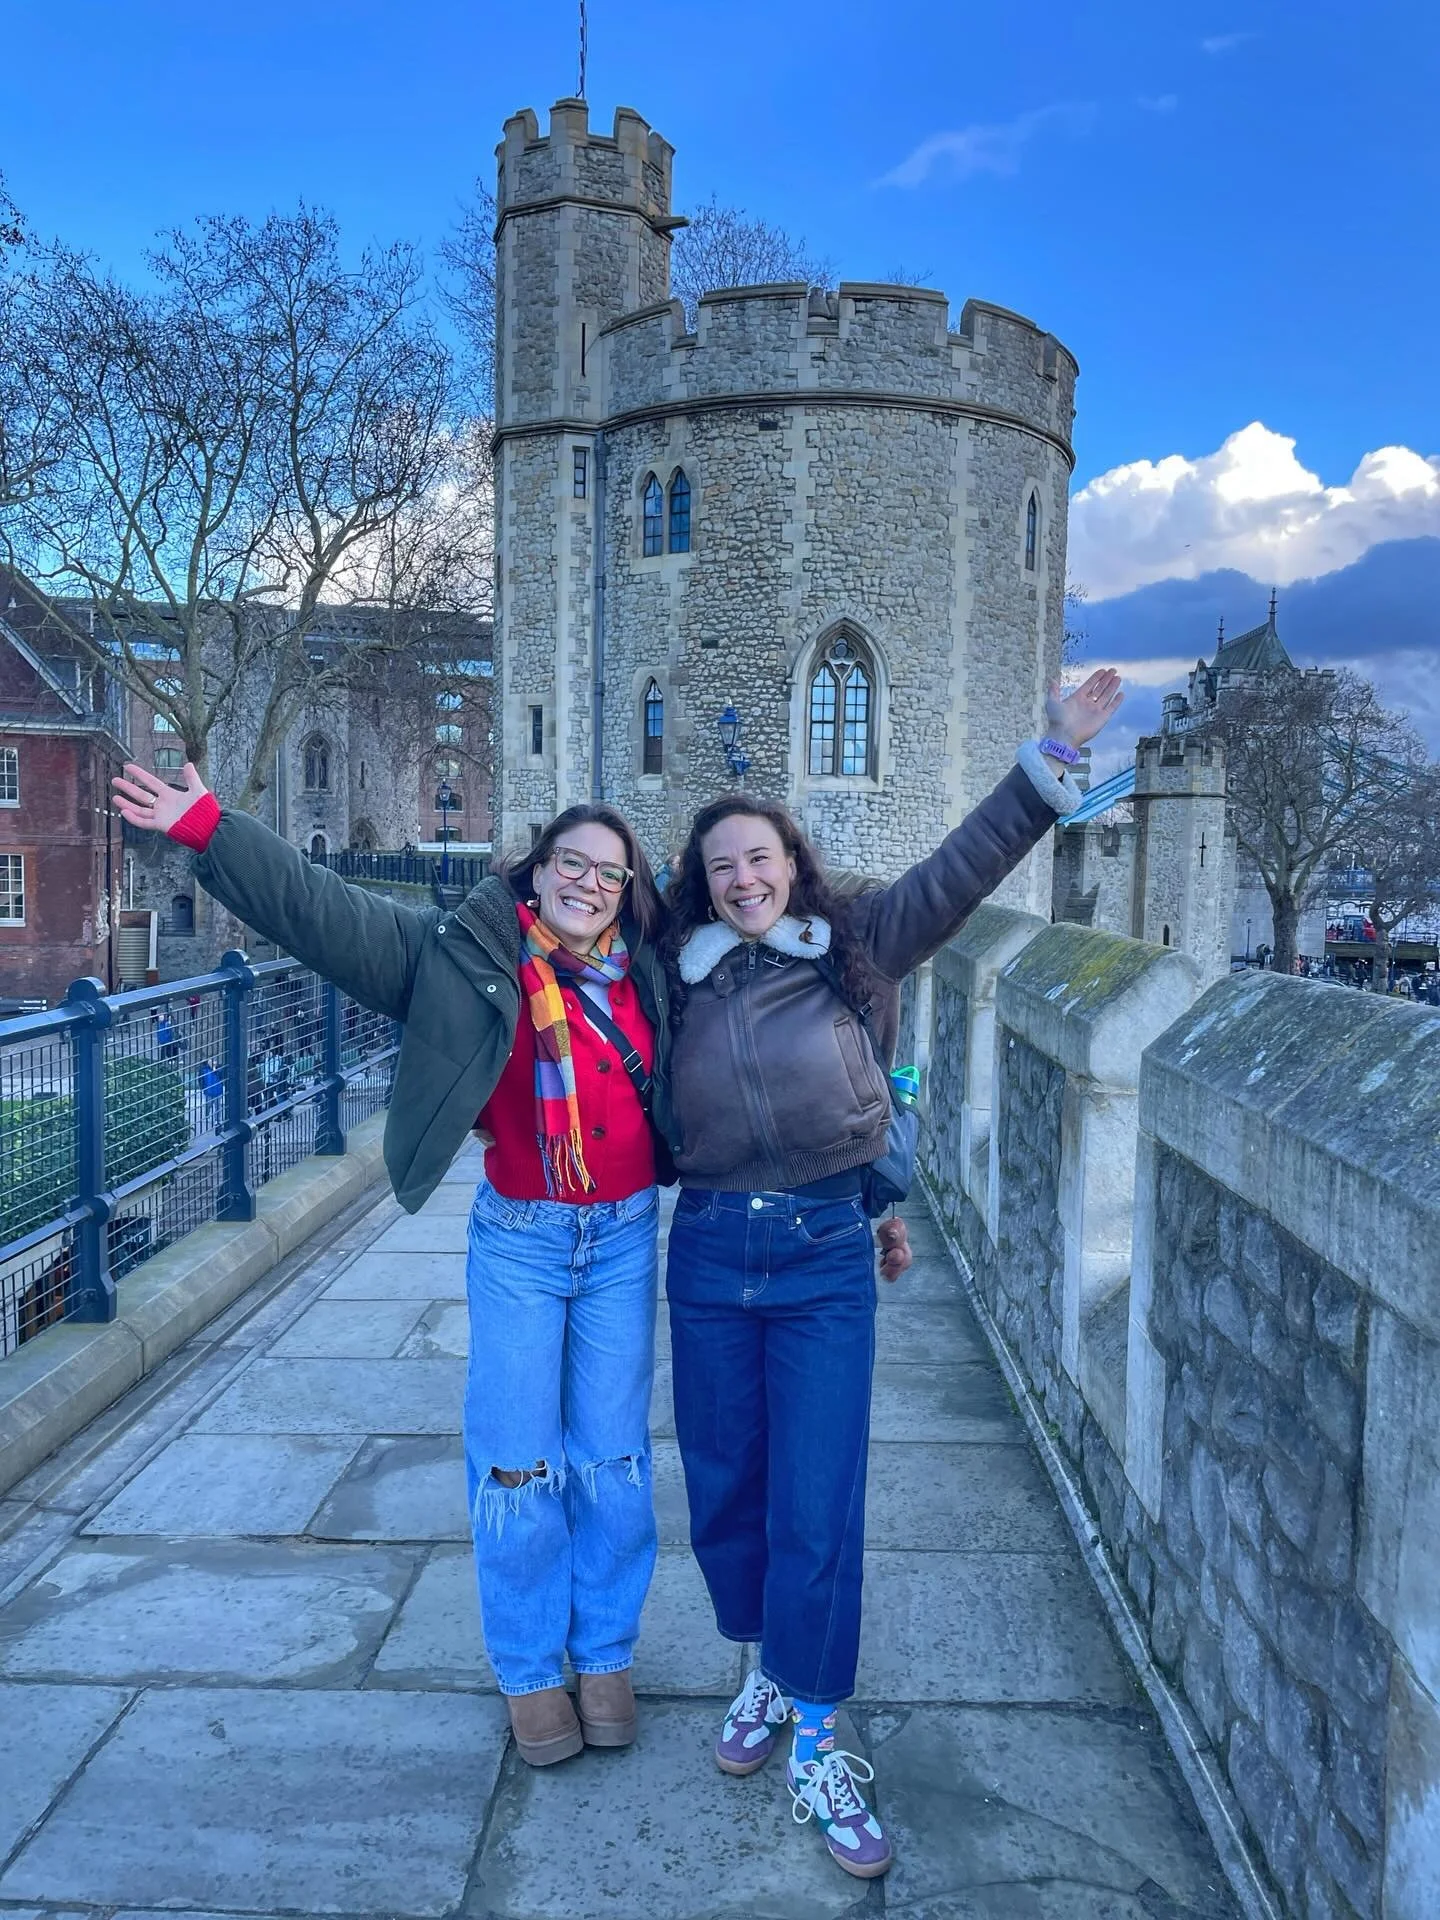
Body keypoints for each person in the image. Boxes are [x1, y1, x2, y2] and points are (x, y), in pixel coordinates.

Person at [651, 670, 1124, 1882]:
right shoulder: (675, 976)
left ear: (790, 863)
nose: (743, 881)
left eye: (758, 860)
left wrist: (1046, 763)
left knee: (819, 1496)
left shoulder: (855, 941)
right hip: (707, 1250)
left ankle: (817, 1727)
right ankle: (761, 1670)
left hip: (818, 1254)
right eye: (721, 870)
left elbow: (961, 873)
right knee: (726, 1489)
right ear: (700, 888)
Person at [109, 761, 671, 1770]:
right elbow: (321, 911)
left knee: (615, 1463)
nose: (590, 884)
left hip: (626, 1238)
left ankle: (607, 1652)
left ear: (629, 890)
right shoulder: (453, 957)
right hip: (524, 1243)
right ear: (534, 872)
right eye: (571, 863)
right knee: (516, 1461)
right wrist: (208, 828)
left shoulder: (654, 973)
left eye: (611, 873)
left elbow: (809, 957)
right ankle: (533, 1667)